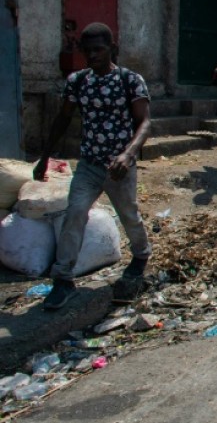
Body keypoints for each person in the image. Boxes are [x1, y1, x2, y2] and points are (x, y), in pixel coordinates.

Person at [33, 23, 152, 309]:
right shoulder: (78, 81)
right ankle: (62, 280)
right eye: (87, 51)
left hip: (118, 166)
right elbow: (63, 119)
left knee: (129, 215)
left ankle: (141, 254)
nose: (92, 55)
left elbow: (145, 122)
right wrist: (45, 156)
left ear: (112, 49)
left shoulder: (130, 80)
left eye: (98, 49)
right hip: (88, 165)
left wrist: (128, 155)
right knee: (74, 214)